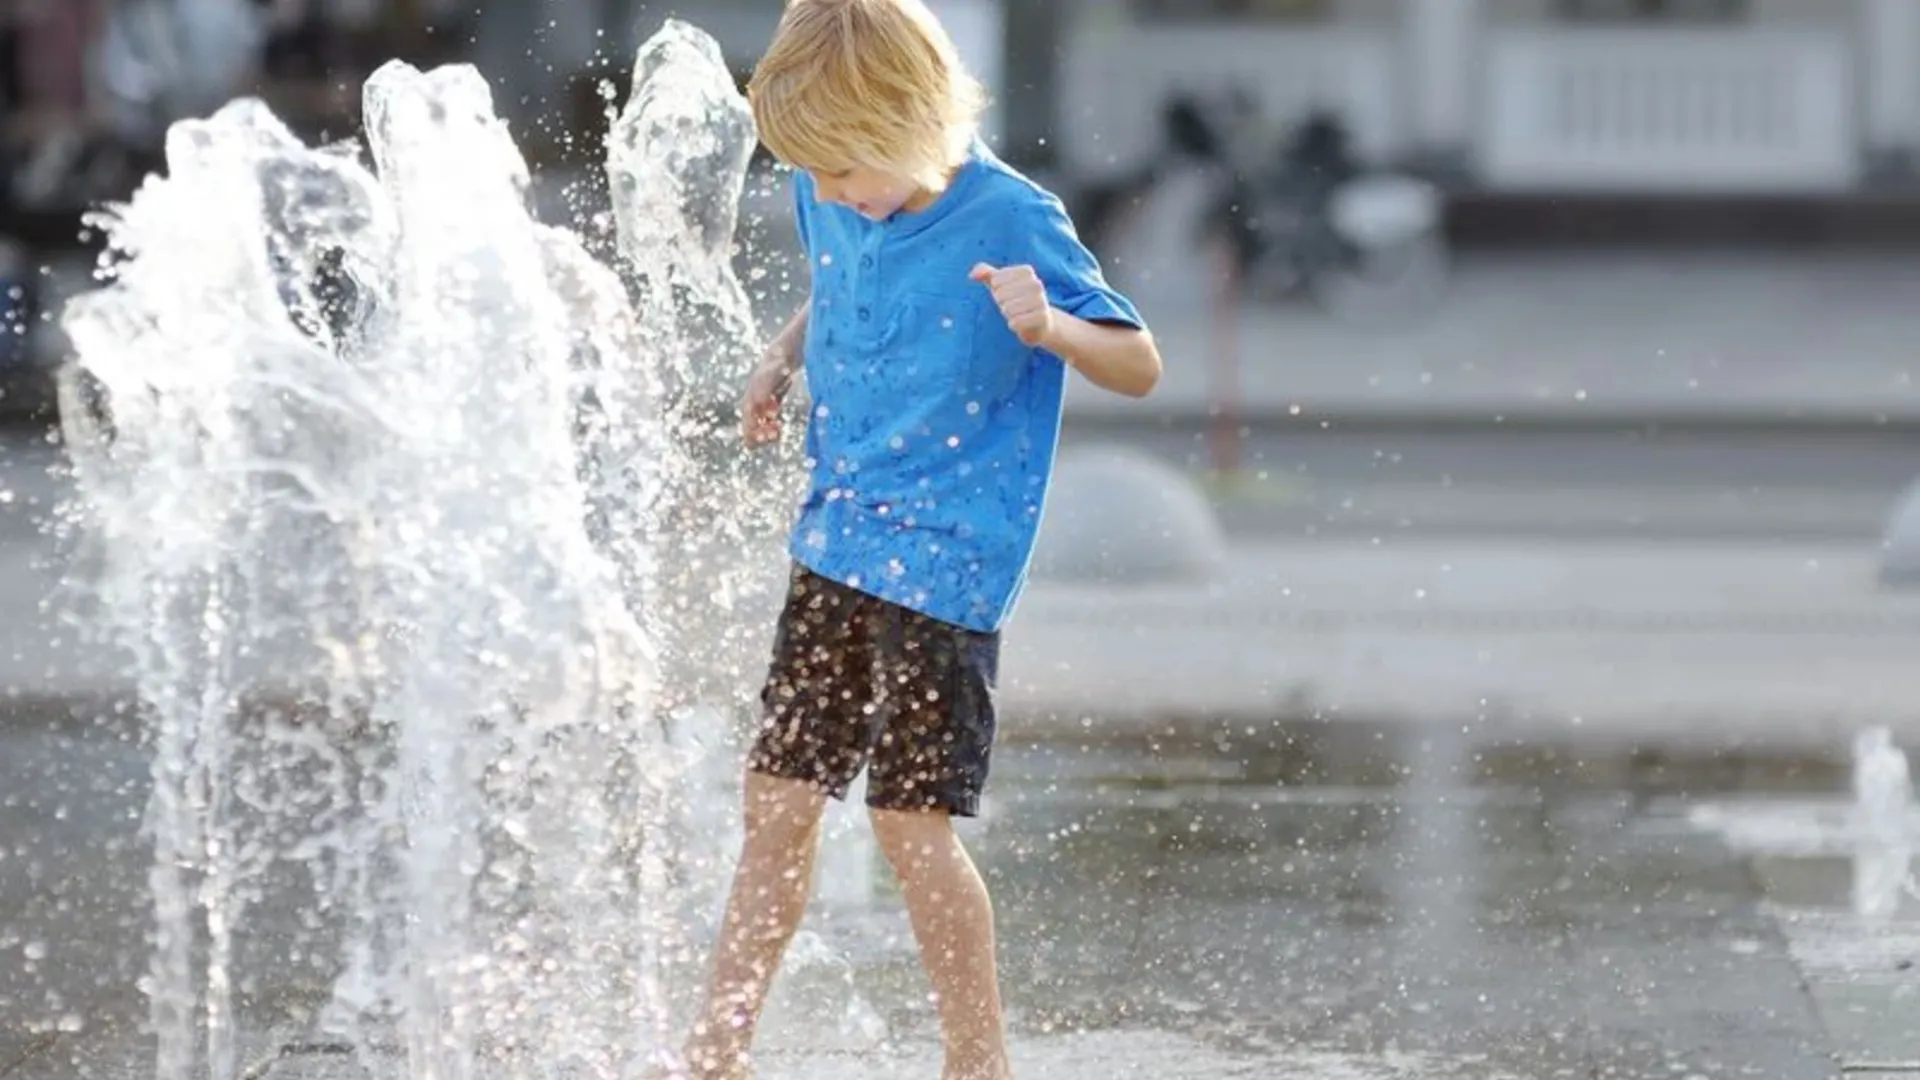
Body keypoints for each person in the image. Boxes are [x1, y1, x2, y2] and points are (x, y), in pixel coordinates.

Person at [667, 2, 1162, 1078]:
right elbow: (841, 278)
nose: (831, 193)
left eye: (847, 172)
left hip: (946, 567)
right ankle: (715, 1052)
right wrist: (781, 355)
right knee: (776, 804)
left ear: (912, 119)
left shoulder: (1014, 218)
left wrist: (1051, 327)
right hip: (835, 540)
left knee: (909, 823)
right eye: (816, 175)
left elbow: (1138, 364)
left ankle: (978, 1061)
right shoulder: (832, 184)